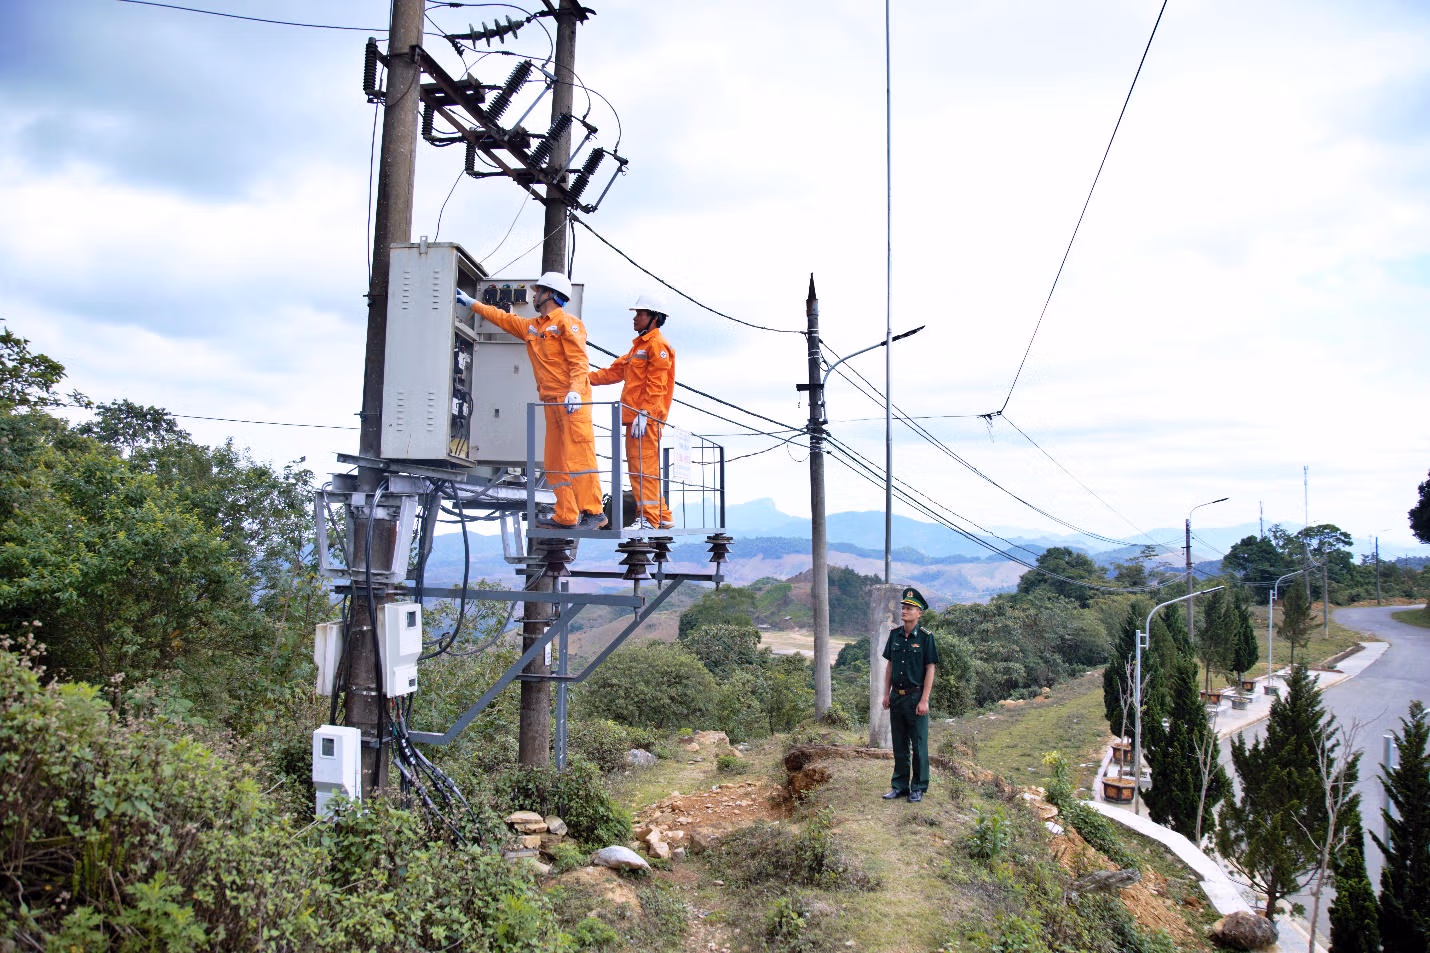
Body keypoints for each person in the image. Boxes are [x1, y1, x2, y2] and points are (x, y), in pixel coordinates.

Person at [456, 272, 605, 530]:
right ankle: (566, 515)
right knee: (554, 462)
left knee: (580, 457)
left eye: (538, 292)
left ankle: (594, 512)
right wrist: (473, 304)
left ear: (550, 294)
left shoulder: (568, 323)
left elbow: (579, 362)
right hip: (552, 403)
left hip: (571, 403)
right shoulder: (534, 327)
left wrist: (575, 391)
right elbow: (505, 319)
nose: (534, 296)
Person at [588, 292, 676, 530]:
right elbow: (613, 372)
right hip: (636, 418)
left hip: (645, 419)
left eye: (640, 314)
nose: (635, 318)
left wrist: (645, 413)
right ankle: (662, 515)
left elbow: (657, 384)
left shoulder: (657, 346)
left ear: (654, 317)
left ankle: (649, 518)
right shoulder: (639, 347)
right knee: (642, 469)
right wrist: (583, 379)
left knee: (643, 470)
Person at [881, 586, 939, 802]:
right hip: (897, 696)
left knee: (919, 744)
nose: (904, 611)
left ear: (919, 613)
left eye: (909, 608)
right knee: (899, 744)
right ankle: (900, 785)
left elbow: (930, 668)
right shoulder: (894, 635)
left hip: (916, 698)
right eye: (903, 607)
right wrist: (886, 694)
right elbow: (889, 666)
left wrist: (925, 700)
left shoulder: (925, 638)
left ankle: (919, 787)